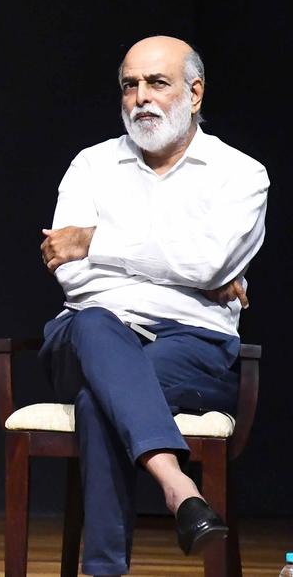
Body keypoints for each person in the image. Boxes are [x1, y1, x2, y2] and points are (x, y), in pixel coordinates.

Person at [38, 35, 268, 577]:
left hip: (192, 345)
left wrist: (96, 241)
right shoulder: (90, 166)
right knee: (95, 319)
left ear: (195, 92)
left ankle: (103, 571)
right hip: (85, 336)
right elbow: (72, 277)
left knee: (102, 403)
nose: (141, 97)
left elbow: (209, 263)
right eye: (129, 85)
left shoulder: (241, 175)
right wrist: (191, 274)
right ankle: (179, 487)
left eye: (157, 83)